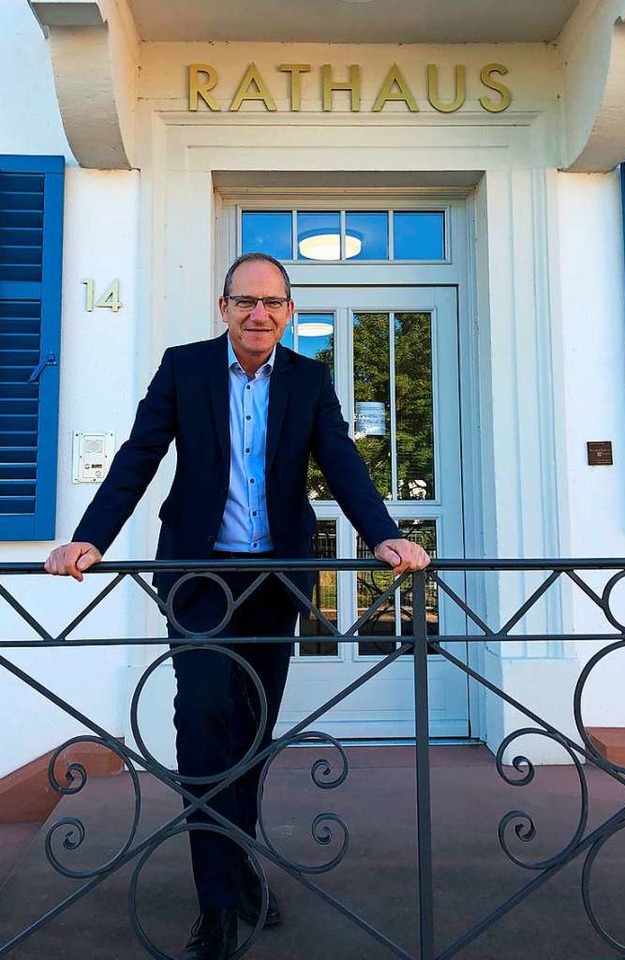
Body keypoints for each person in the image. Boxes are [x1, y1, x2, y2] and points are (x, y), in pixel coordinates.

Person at [45, 252, 429, 960]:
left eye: (273, 304)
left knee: (251, 733)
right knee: (201, 716)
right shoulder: (185, 368)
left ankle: (239, 866)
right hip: (199, 577)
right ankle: (217, 903)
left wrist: (382, 534)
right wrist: (89, 539)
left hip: (275, 579)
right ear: (222, 307)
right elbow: (139, 456)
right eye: (245, 302)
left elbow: (341, 460)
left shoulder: (309, 380)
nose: (259, 315)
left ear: (288, 312)